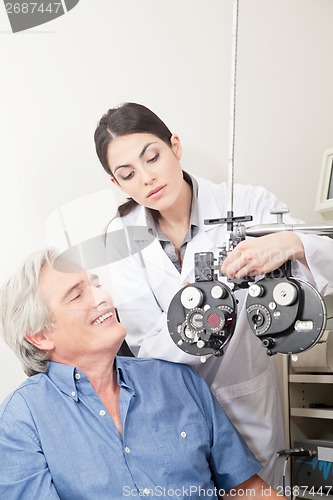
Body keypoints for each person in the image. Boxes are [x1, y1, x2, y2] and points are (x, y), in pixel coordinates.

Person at [93, 102, 333, 488]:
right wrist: (204, 316)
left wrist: (290, 243)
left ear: (175, 146)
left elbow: (327, 267)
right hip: (174, 411)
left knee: (258, 491)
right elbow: (143, 342)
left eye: (152, 157)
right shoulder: (121, 236)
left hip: (246, 399)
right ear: (116, 184)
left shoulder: (248, 204)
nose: (147, 179)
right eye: (128, 174)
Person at [0, 249, 283, 500]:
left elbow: (245, 489)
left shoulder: (176, 379)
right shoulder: (21, 421)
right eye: (77, 294)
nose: (102, 298)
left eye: (96, 284)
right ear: (39, 336)